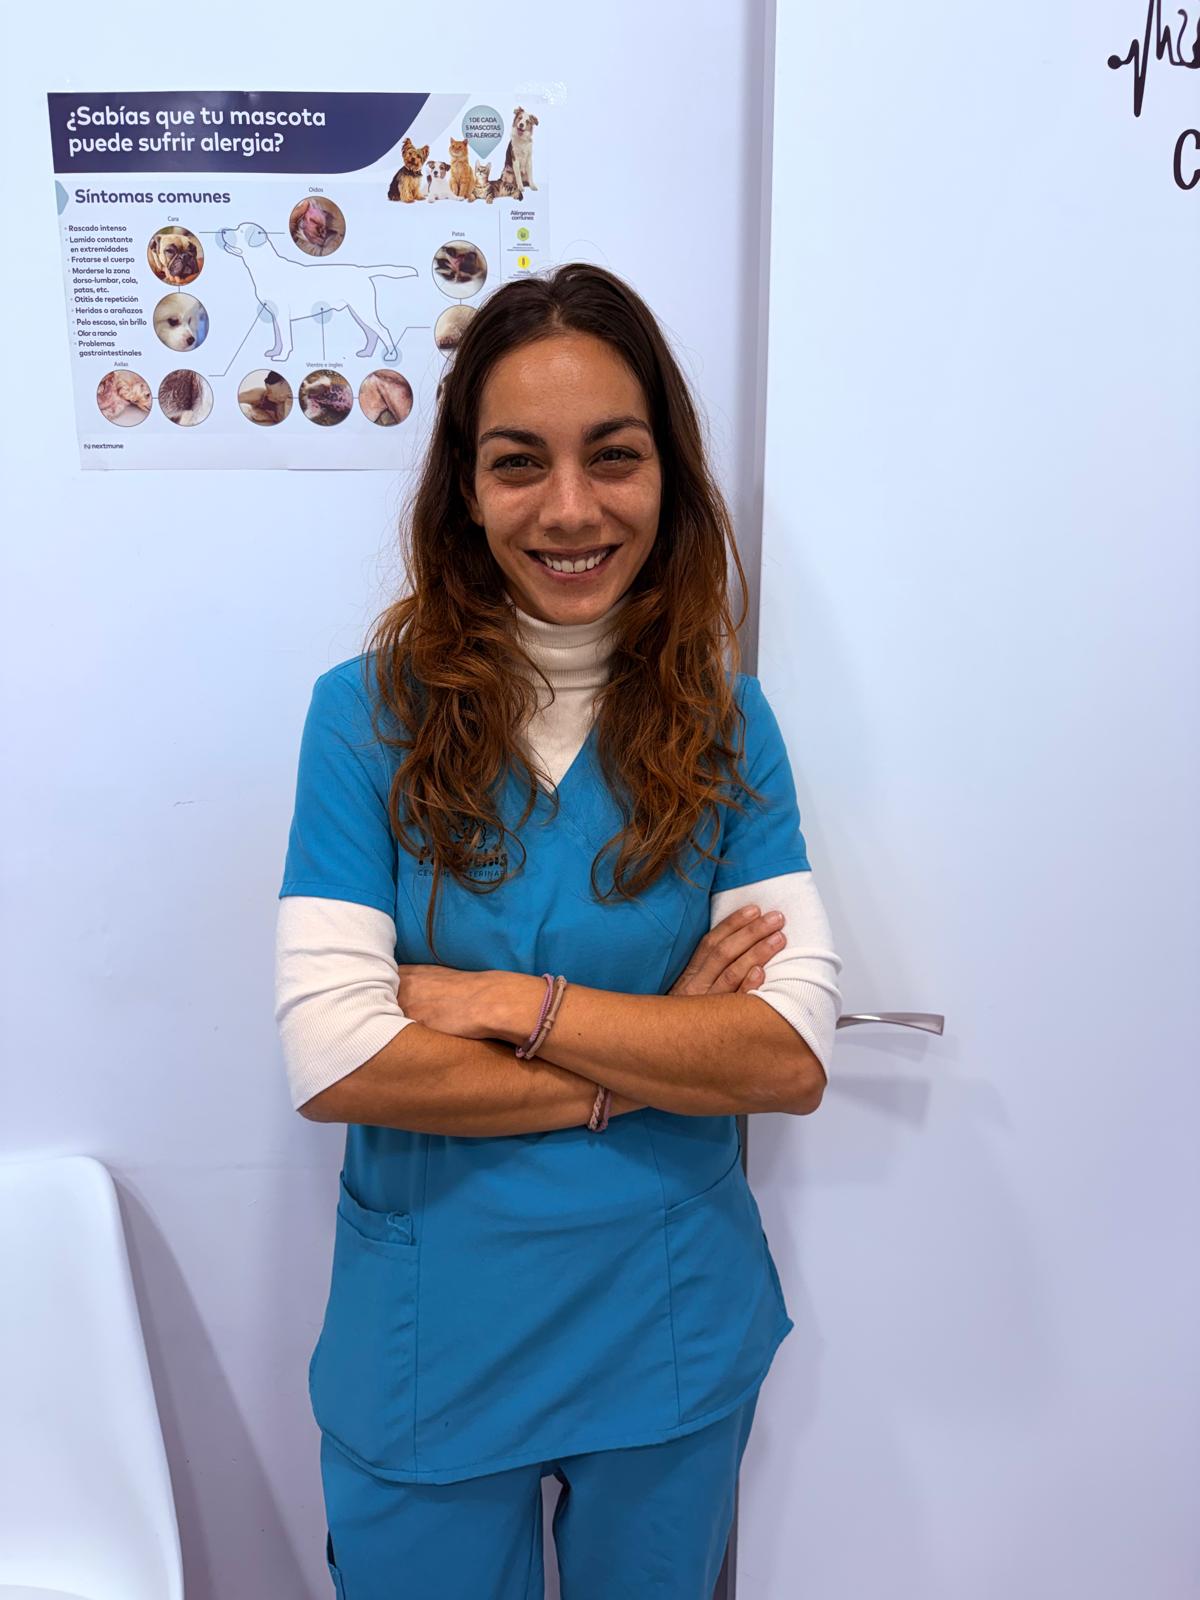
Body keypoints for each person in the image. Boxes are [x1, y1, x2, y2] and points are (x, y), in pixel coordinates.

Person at [274, 261, 844, 1599]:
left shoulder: (727, 725)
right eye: (519, 461)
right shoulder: (362, 719)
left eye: (615, 455)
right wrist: (657, 1054)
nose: (571, 508)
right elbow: (338, 1060)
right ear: (466, 491)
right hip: (434, 1334)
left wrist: (503, 1004)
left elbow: (787, 1058)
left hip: (666, 1319)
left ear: (669, 478)